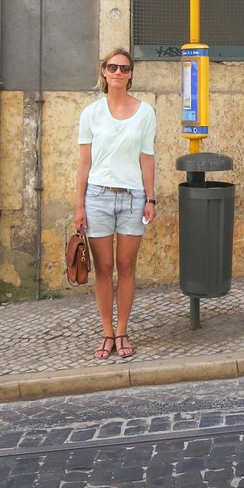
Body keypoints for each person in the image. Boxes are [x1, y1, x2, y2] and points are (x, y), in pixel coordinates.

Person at [74, 47, 156, 360]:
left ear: (131, 74)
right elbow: (84, 163)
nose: (118, 73)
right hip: (97, 196)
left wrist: (150, 198)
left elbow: (147, 158)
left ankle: (122, 330)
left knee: (126, 266)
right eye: (113, 68)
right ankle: (107, 333)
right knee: (104, 268)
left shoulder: (145, 112)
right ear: (104, 73)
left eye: (124, 68)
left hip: (134, 197)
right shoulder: (91, 113)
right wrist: (78, 206)